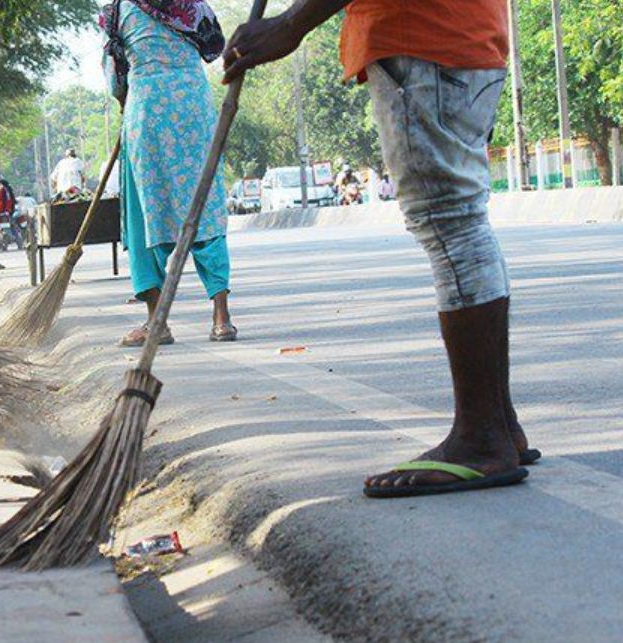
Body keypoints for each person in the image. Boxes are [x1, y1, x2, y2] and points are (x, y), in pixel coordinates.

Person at [224, 0, 535, 496]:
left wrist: (288, 26)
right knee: (462, 222)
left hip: (425, 34)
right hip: (461, 35)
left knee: (449, 223)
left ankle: (481, 438)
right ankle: (497, 423)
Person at [101, 0, 237, 346]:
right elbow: (214, 47)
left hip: (147, 112)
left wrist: (125, 103)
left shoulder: (117, 12)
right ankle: (221, 317)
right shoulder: (194, 7)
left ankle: (156, 321)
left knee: (148, 214)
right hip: (194, 109)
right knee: (205, 206)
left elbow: (116, 80)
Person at [0, 175, 24, 250]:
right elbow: (13, 201)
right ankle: (19, 242)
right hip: (9, 211)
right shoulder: (9, 189)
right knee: (12, 226)